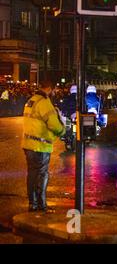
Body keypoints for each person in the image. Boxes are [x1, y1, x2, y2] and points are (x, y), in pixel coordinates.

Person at [22, 80, 65, 212]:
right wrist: (63, 129)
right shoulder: (45, 103)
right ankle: (41, 205)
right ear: (50, 89)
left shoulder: (31, 100)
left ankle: (32, 204)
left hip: (28, 144)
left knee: (32, 174)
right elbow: (54, 125)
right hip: (40, 146)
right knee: (42, 174)